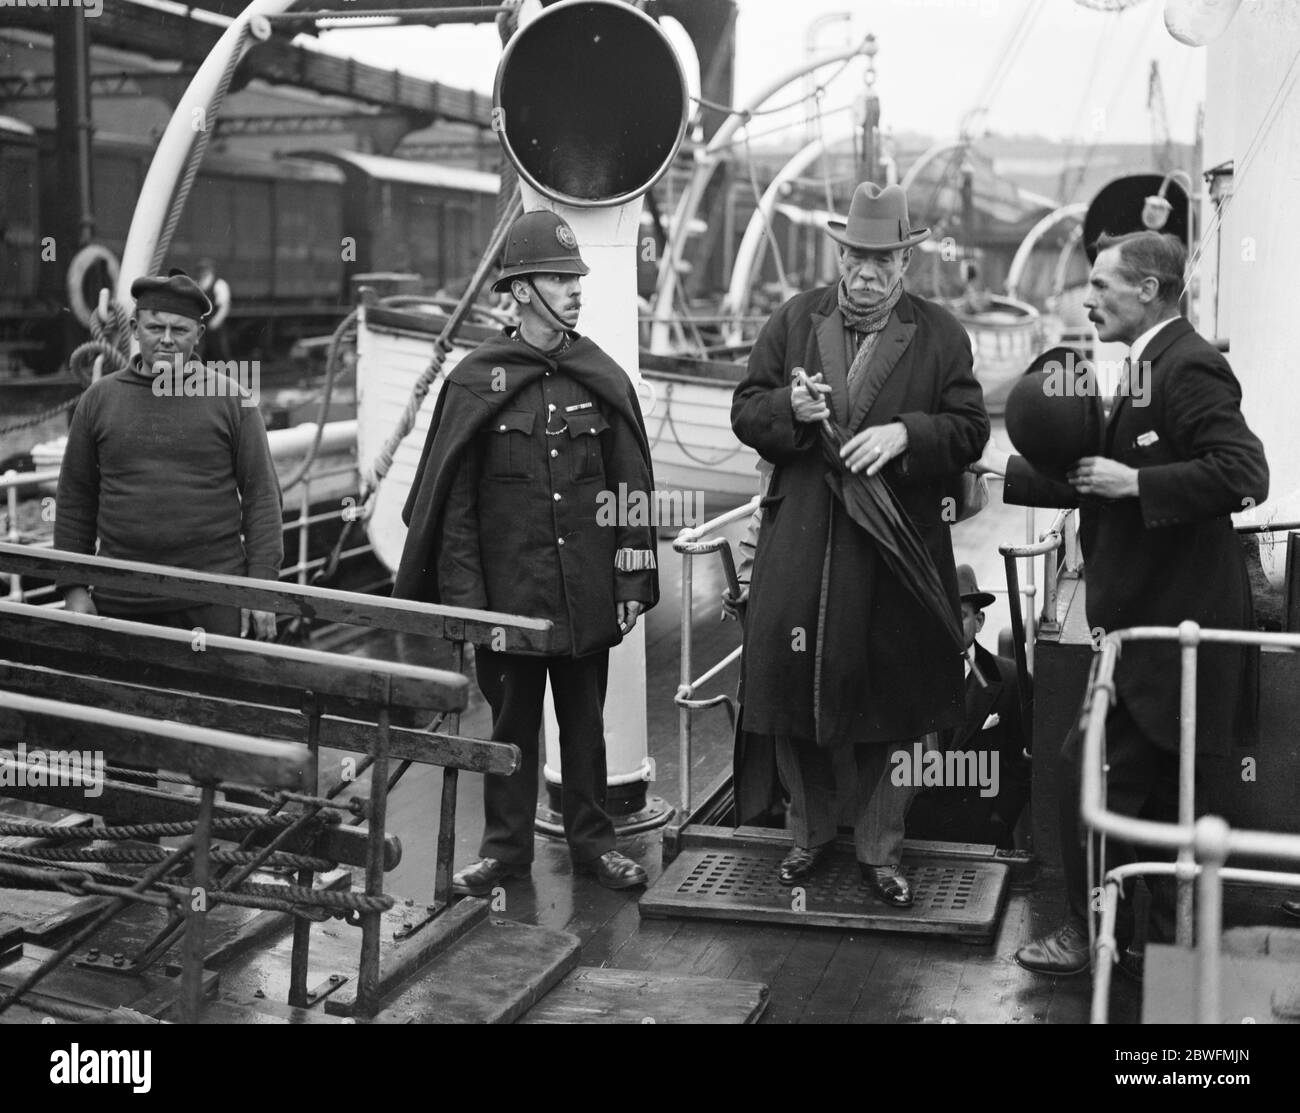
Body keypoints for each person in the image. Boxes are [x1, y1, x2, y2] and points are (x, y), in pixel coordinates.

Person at [976, 230, 1269, 976]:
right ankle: (1145, 947)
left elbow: (1244, 472)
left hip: (1173, 636)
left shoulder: (1189, 366)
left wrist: (1138, 485)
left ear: (1148, 290)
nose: (1088, 297)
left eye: (1102, 285)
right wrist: (998, 472)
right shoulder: (1145, 367)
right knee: (1148, 799)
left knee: (1090, 776)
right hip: (1146, 631)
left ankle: (1092, 933)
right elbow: (1099, 477)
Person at [731, 181, 989, 907]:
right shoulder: (793, 320)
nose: (865, 272)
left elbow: (971, 429)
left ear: (905, 260)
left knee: (897, 703)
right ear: (839, 253)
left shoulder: (940, 336)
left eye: (881, 258)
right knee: (793, 694)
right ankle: (807, 839)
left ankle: (881, 850)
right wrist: (792, 406)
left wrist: (909, 433)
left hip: (894, 549)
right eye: (854, 256)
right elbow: (746, 409)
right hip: (804, 543)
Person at [394, 210, 659, 895]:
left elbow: (630, 490)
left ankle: (594, 845)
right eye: (558, 278)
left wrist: (630, 582)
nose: (575, 290)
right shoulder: (475, 380)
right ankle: (505, 852)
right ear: (519, 290)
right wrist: (466, 605)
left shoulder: (599, 376)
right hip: (508, 599)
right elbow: (455, 512)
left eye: (575, 278)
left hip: (583, 594)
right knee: (508, 727)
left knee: (585, 728)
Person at [55, 269, 282, 639]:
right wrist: (74, 589)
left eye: (180, 330)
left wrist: (262, 590)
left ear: (199, 335)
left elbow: (263, 500)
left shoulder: (233, 399)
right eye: (154, 328)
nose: (166, 340)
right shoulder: (98, 400)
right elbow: (74, 500)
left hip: (213, 604)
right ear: (133, 327)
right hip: (119, 602)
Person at [904, 565, 1031, 850]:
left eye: (959, 616)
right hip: (913, 838)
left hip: (981, 836)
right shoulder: (907, 680)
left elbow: (1022, 762)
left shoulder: (1010, 681)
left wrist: (999, 819)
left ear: (980, 620)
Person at [195, 259, 232, 363]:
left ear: (210, 270)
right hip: (201, 323)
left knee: (220, 351)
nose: (203, 272)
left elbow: (224, 306)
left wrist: (215, 322)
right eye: (201, 270)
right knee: (200, 350)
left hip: (214, 324)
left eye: (205, 270)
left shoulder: (219, 284)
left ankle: (227, 375)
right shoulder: (198, 284)